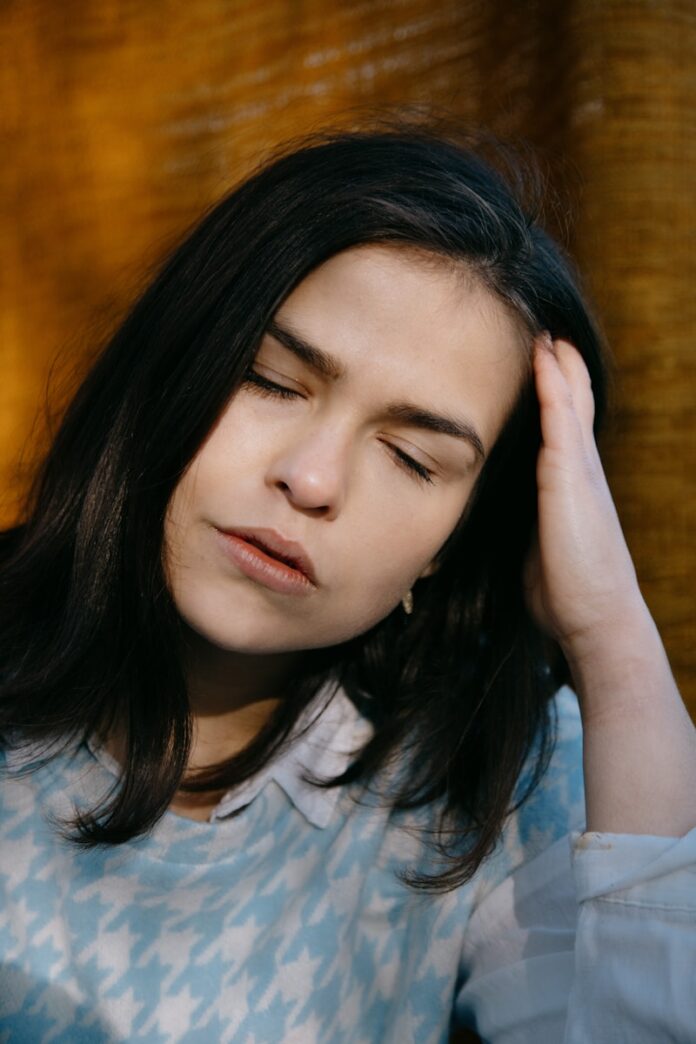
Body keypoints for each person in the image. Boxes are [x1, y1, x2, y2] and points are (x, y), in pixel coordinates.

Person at [0, 120, 694, 1044]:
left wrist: (615, 646)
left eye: (411, 458)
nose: (313, 479)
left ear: (453, 541)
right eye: (272, 381)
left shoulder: (501, 775)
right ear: (174, 361)